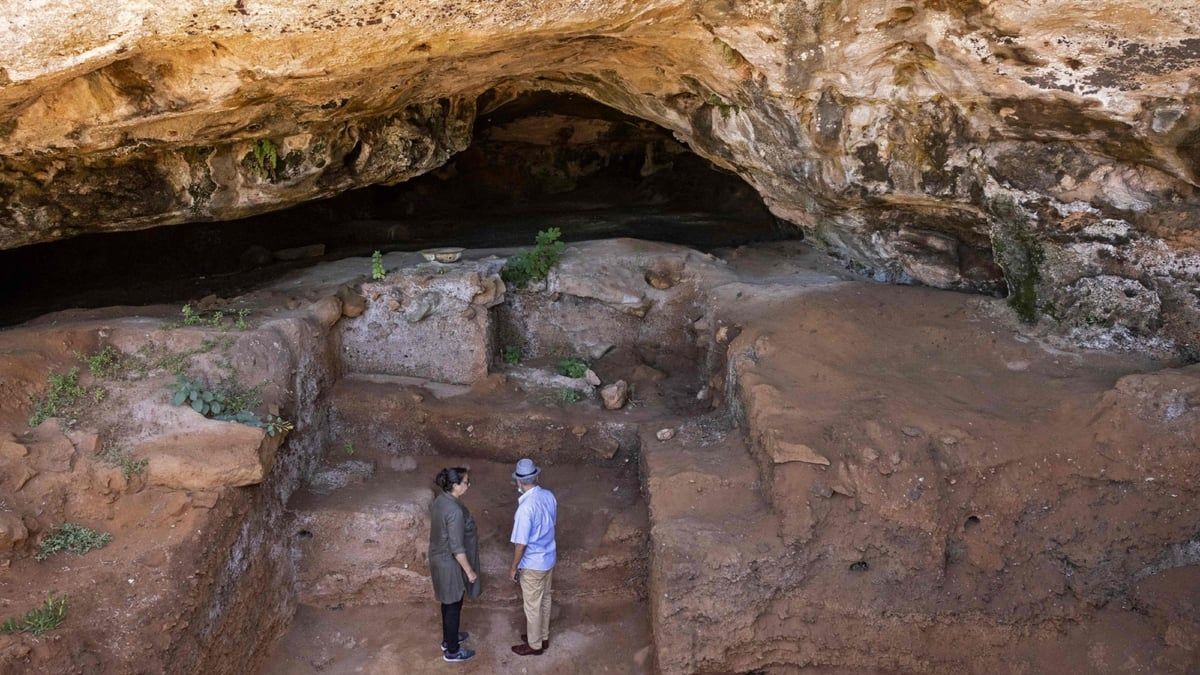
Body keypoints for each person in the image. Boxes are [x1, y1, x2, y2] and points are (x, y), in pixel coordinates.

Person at [429, 467, 482, 663]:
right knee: (453, 604)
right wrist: (469, 571)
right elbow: (457, 548)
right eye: (466, 482)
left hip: (437, 558)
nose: (468, 485)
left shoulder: (441, 500)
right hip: (448, 563)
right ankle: (452, 651)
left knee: (448, 601)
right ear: (455, 485)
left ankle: (448, 638)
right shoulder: (454, 511)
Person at [508, 458, 558, 656]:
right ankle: (542, 637)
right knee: (545, 599)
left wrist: (513, 567)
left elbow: (521, 543)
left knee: (532, 606)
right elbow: (552, 524)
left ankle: (534, 644)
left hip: (533, 564)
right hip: (549, 558)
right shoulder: (549, 496)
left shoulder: (525, 509)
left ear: (519, 482)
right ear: (536, 477)